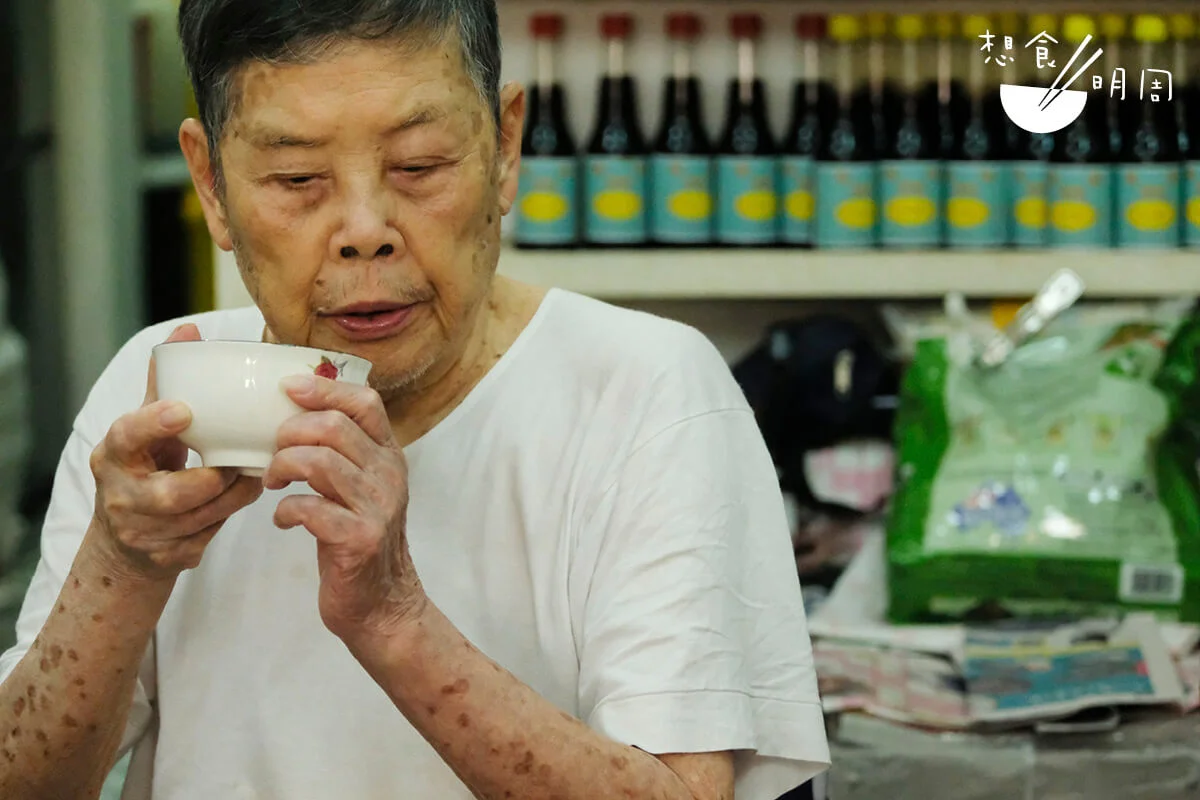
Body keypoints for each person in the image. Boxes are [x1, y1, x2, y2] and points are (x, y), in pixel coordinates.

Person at [0, 1, 830, 797]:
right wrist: (121, 566)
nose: (366, 228)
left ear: (504, 149)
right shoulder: (162, 393)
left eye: (419, 166)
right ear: (211, 184)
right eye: (296, 178)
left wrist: (394, 619)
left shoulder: (646, 391)